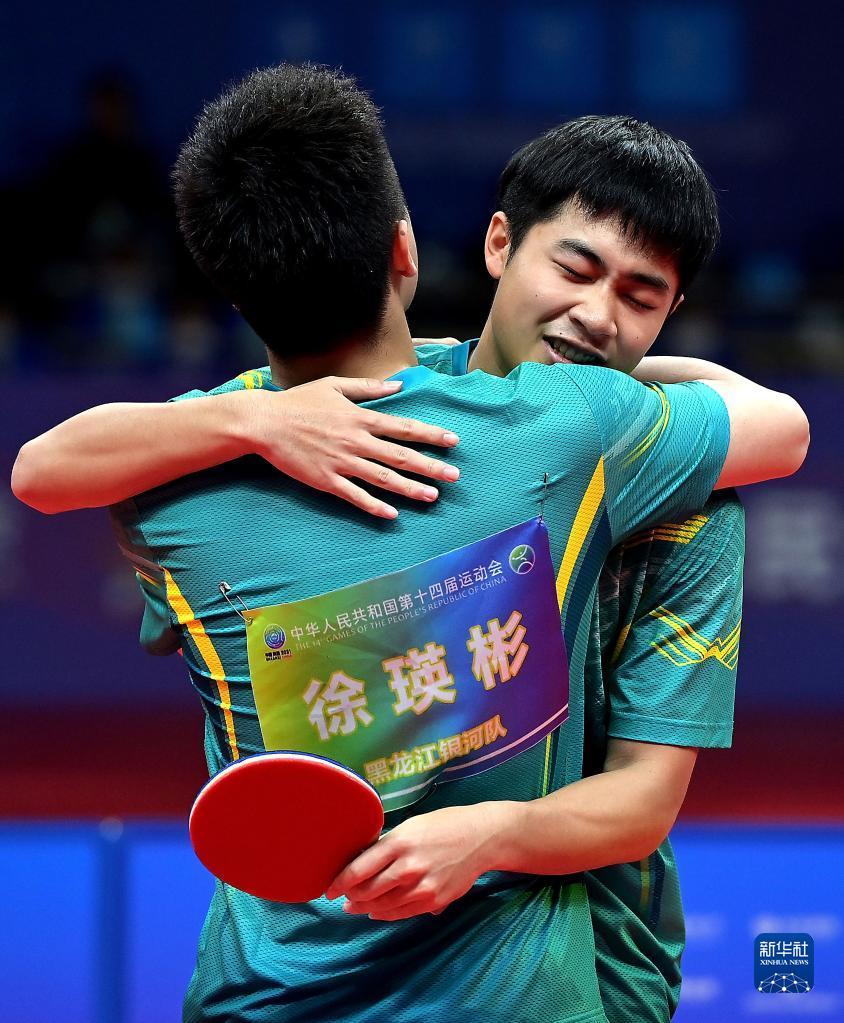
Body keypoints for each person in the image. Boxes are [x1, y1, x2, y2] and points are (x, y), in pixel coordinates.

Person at [11, 66, 808, 1023]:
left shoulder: (175, 485)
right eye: (576, 270)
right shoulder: (570, 426)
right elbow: (783, 426)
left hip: (569, 959)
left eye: (641, 296)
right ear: (457, 246)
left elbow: (41, 469)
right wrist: (256, 423)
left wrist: (249, 422)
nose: (599, 316)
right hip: (510, 991)